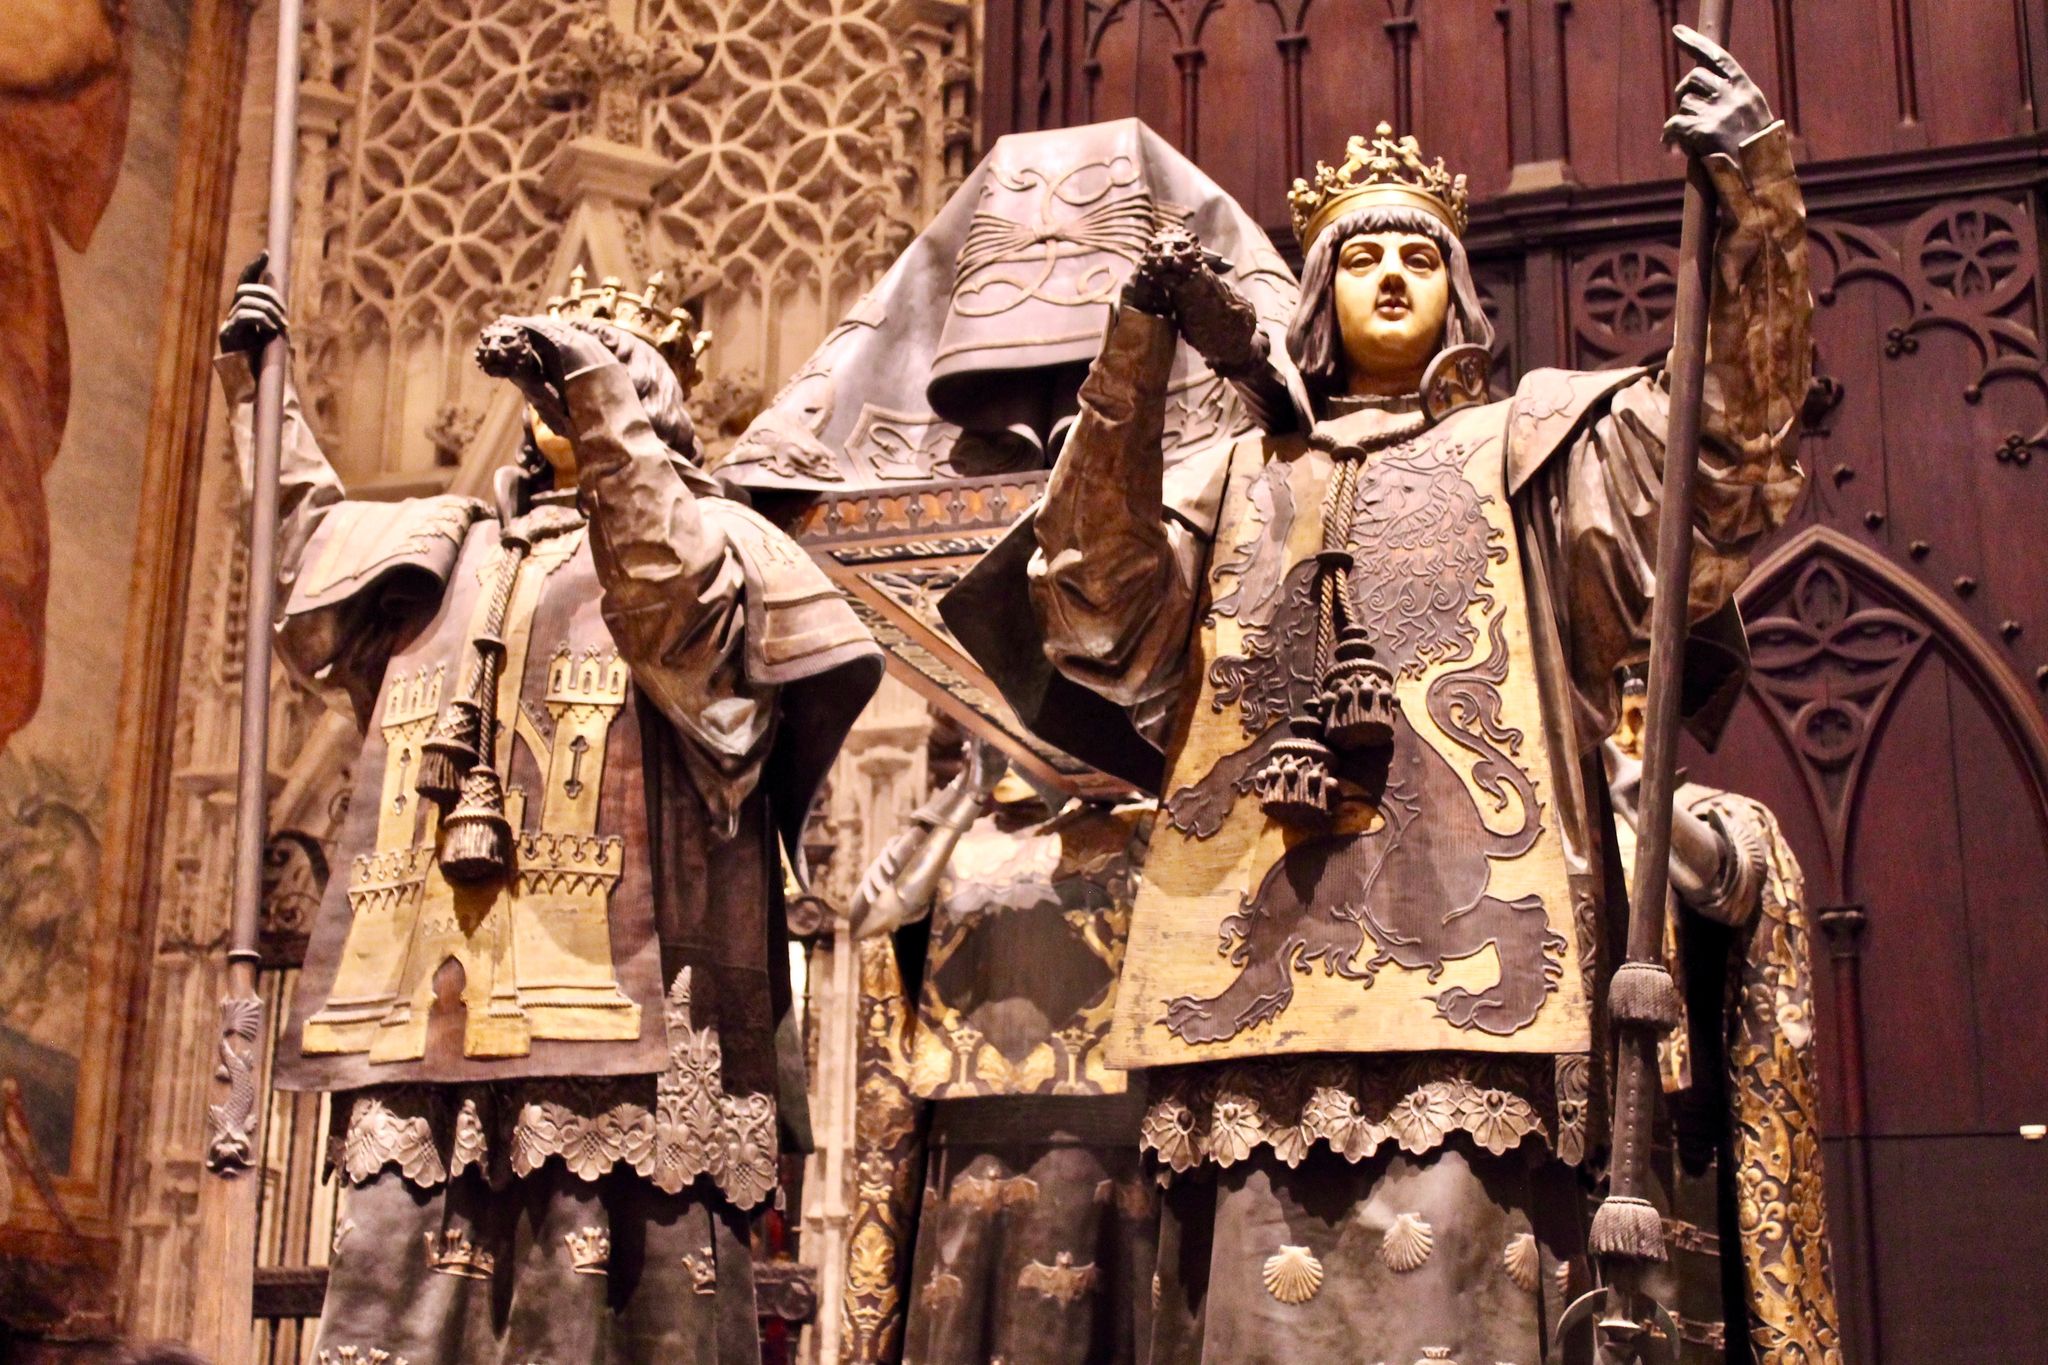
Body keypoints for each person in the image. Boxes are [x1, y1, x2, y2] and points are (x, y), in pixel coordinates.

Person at [944, 25, 1814, 1364]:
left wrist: (1757, 209)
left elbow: (1728, 466)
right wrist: (1133, 348)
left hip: (1475, 1013)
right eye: (1362, 253)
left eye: (1421, 253)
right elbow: (1097, 611)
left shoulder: (1534, 453)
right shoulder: (1226, 483)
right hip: (1248, 1010)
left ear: (1463, 291)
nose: (1394, 273)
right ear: (1313, 292)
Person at [215, 264, 881, 1363]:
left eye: (613, 369)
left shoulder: (726, 544)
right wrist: (263, 392)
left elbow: (679, 623)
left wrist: (595, 388)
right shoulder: (447, 552)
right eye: (563, 371)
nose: (571, 391)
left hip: (633, 1039)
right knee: (400, 1312)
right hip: (428, 1034)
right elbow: (303, 554)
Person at [847, 741, 1157, 1365]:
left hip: (1100, 1134)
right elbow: (871, 913)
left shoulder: (1135, 822)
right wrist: (965, 790)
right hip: (971, 1135)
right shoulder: (960, 836)